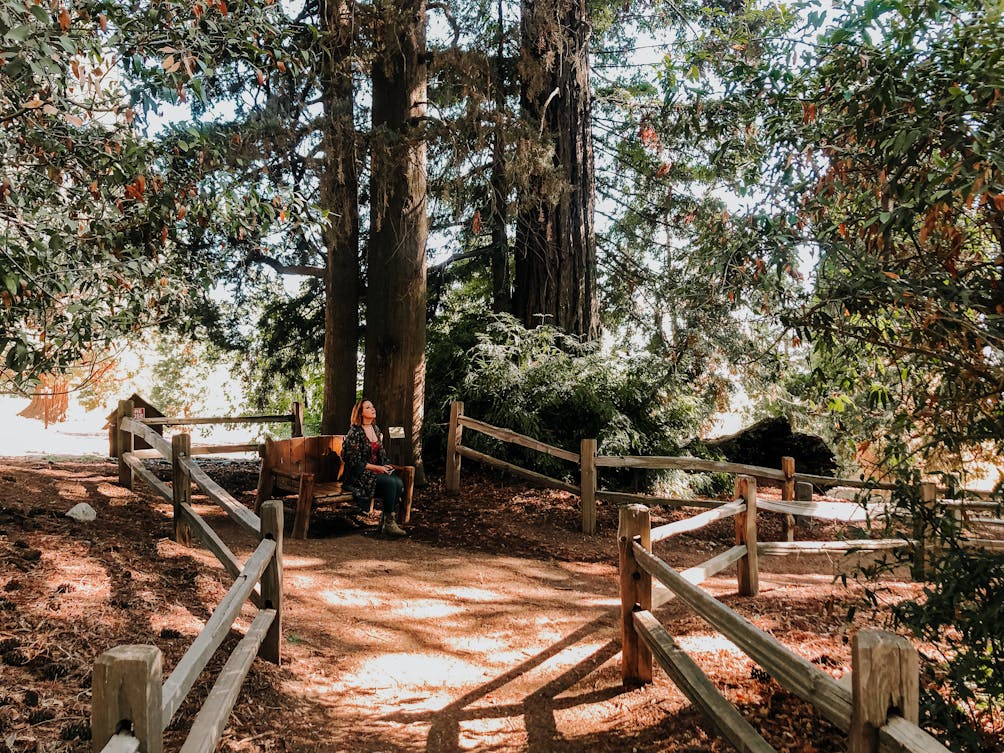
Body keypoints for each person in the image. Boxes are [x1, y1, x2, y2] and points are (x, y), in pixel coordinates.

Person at [341, 398, 407, 537]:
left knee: (398, 482)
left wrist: (385, 465)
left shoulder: (375, 429)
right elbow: (354, 462)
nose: (373, 409)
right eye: (368, 407)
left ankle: (386, 520)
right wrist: (378, 469)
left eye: (372, 406)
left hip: (375, 471)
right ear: (360, 413)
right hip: (359, 475)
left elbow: (381, 454)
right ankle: (389, 524)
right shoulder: (355, 433)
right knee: (389, 483)